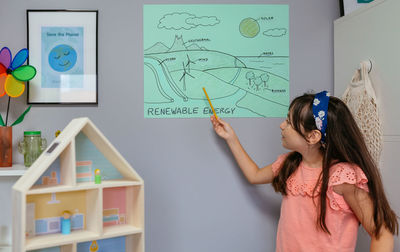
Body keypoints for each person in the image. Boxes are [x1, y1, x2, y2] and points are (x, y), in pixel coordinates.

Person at [210, 91, 398, 252]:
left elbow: (382, 230)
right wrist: (231, 138)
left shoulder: (341, 176)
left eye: (289, 122)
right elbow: (254, 175)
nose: (282, 125)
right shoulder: (289, 163)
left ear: (313, 136)